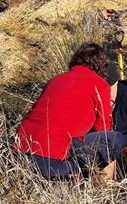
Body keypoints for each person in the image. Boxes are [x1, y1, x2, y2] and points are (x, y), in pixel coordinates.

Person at [14, 42, 120, 180]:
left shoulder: (55, 80)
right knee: (114, 139)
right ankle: (102, 189)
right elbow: (103, 129)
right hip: (52, 163)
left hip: (19, 156)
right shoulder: (99, 85)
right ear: (102, 67)